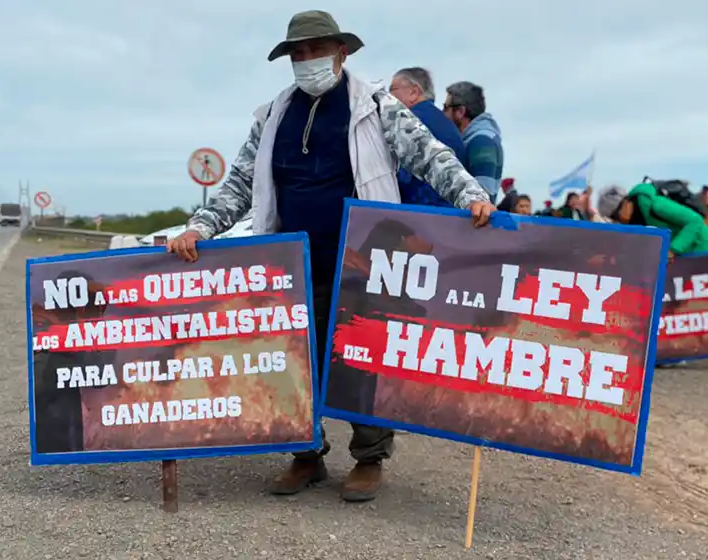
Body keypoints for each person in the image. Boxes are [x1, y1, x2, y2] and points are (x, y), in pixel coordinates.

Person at [166, 10, 495, 503]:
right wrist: (200, 225)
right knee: (291, 360)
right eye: (297, 53)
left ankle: (368, 458)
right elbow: (238, 182)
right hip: (290, 261)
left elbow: (430, 155)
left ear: (341, 53)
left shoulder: (376, 107)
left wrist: (470, 195)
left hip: (363, 256)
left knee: (361, 358)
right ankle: (306, 454)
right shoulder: (273, 114)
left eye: (316, 50)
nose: (306, 61)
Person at [389, 67, 466, 207]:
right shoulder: (449, 127)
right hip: (450, 215)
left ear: (413, 92)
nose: (387, 97)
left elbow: (397, 178)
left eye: (392, 89)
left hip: (417, 215)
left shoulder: (408, 121)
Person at [610, 182, 708, 257]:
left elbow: (695, 221)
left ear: (625, 203)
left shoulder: (655, 205)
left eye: (615, 216)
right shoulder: (639, 218)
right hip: (684, 255)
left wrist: (673, 249)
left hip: (702, 247)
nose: (618, 221)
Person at [443, 81, 504, 199]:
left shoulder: (481, 142)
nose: (442, 113)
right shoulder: (478, 139)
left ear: (460, 112)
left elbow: (482, 197)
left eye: (446, 107)